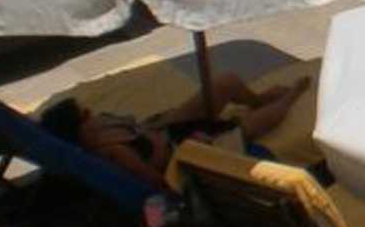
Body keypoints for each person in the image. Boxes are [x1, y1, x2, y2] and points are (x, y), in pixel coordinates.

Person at [39, 72, 312, 190]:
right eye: (86, 115)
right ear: (78, 130)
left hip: (164, 128)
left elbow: (143, 129)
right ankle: (291, 96)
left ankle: (257, 100)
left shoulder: (99, 130)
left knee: (225, 82)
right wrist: (193, 152)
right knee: (247, 127)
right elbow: (159, 181)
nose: (92, 114)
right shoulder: (114, 153)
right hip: (183, 151)